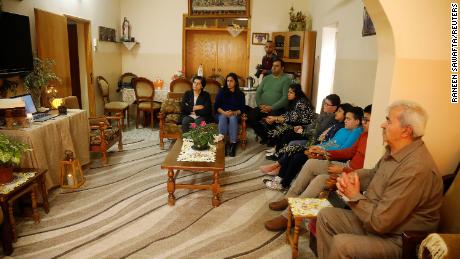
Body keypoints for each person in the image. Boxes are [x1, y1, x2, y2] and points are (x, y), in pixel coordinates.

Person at [316, 100, 443, 259]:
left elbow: (381, 222)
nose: (382, 124)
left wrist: (354, 195)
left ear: (406, 131)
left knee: (343, 245)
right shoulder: (394, 151)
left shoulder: (415, 169)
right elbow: (373, 174)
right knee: (326, 216)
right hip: (376, 222)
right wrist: (348, 177)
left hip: (398, 239)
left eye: (388, 121)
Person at [264, 105, 372, 231]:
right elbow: (349, 152)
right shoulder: (365, 135)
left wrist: (343, 170)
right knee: (311, 163)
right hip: (346, 166)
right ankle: (290, 197)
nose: (364, 122)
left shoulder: (373, 139)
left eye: (367, 120)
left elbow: (367, 171)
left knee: (321, 179)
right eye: (363, 119)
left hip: (353, 174)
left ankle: (290, 215)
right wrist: (325, 153)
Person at [264, 106, 363, 191]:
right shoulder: (342, 129)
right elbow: (328, 142)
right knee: (293, 150)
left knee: (297, 157)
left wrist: (321, 151)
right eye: (345, 118)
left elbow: (343, 150)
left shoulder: (357, 132)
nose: (345, 121)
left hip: (327, 156)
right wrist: (317, 147)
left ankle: (283, 184)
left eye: (348, 119)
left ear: (357, 121)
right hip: (320, 150)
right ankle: (279, 179)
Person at [247, 58, 291, 143]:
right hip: (263, 107)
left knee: (271, 118)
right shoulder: (266, 78)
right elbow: (258, 93)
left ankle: (273, 139)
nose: (273, 68)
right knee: (251, 116)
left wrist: (271, 107)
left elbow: (285, 98)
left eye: (276, 66)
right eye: (273, 66)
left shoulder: (286, 79)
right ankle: (265, 137)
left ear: (282, 68)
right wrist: (260, 105)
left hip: (277, 108)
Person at [214, 73, 246, 157]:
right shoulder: (221, 92)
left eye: (231, 81)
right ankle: (222, 144)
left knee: (232, 118)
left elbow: (242, 109)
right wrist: (224, 113)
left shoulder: (240, 94)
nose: (229, 83)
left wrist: (234, 112)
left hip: (234, 114)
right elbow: (216, 107)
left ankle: (233, 144)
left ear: (235, 82)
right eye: (227, 81)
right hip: (221, 113)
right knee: (223, 117)